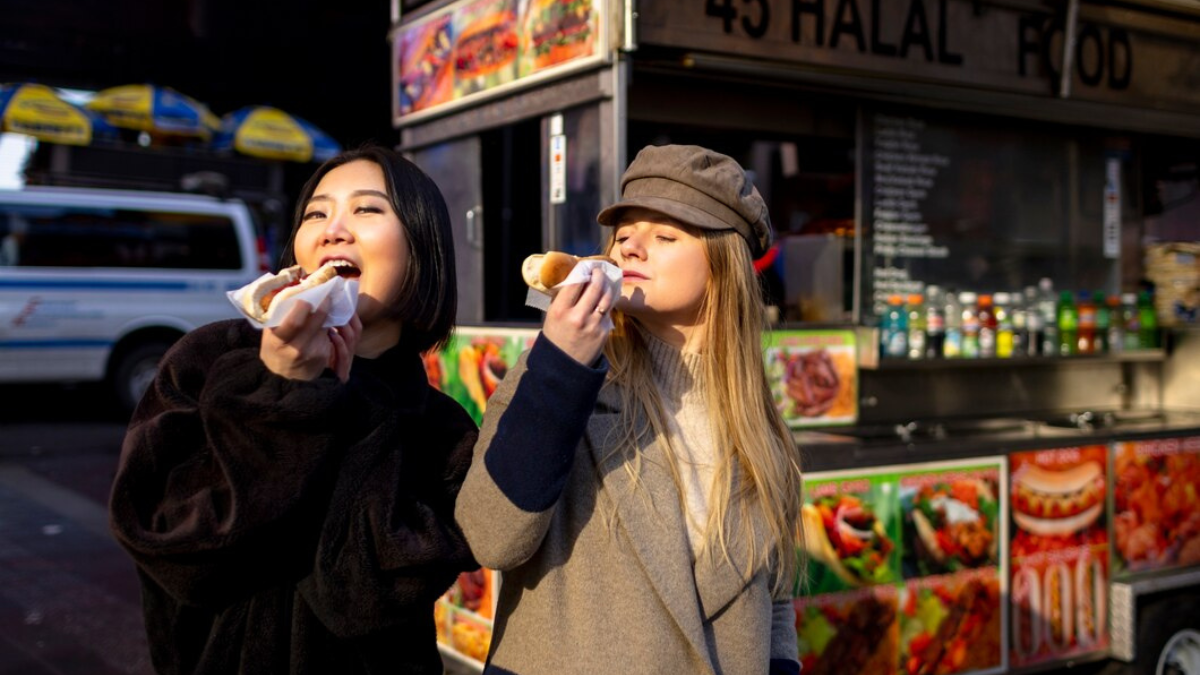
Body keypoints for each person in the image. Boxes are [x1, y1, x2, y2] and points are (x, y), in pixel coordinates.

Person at [109, 145, 478, 675]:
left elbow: (360, 598)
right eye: (316, 213)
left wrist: (342, 402)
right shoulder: (208, 361)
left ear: (423, 249)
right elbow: (176, 551)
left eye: (368, 209)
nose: (333, 229)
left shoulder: (442, 432)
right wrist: (278, 391)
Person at [456, 144, 804, 675]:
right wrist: (560, 368)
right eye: (622, 236)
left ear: (724, 263)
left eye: (665, 236)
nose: (631, 250)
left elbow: (772, 593)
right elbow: (490, 536)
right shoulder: (557, 378)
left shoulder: (755, 417)